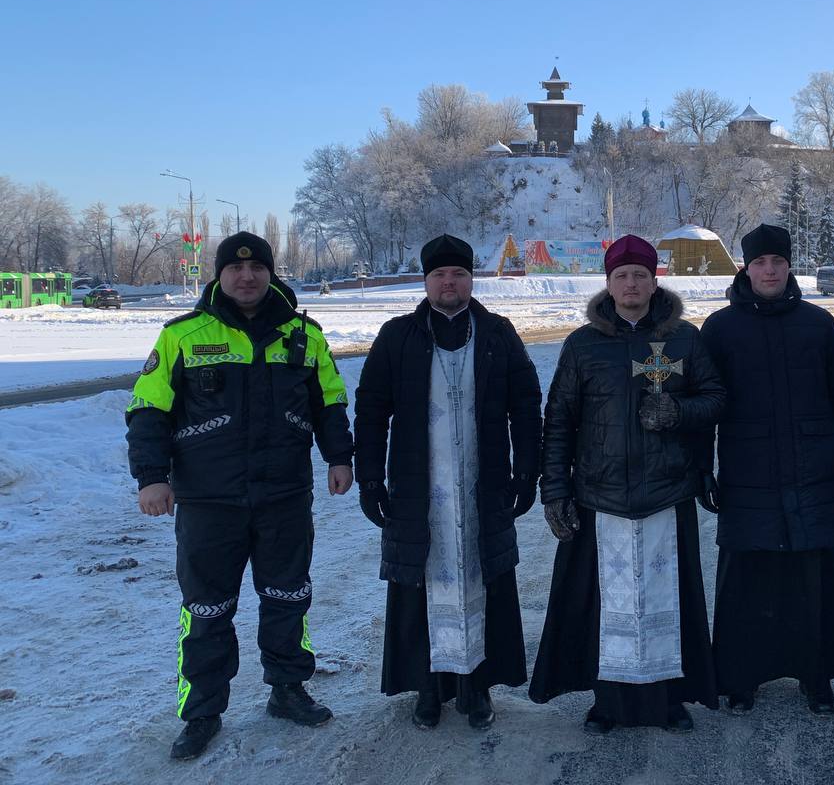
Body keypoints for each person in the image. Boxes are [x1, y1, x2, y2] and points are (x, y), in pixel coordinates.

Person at [125, 231, 354, 761]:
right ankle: (202, 709)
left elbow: (331, 403)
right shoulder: (182, 335)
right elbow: (147, 411)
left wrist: (340, 457)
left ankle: (287, 688)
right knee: (206, 608)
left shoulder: (305, 334)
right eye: (234, 269)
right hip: (209, 501)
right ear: (219, 274)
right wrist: (151, 476)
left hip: (284, 495)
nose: (246, 277)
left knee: (288, 597)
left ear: (271, 273)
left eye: (256, 269)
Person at [529, 234, 727, 733]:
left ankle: (670, 700)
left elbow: (717, 398)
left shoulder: (682, 337)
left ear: (654, 279)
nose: (632, 283)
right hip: (601, 495)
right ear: (609, 283)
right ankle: (607, 702)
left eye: (641, 274)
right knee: (605, 605)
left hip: (666, 493)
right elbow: (559, 422)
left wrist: (678, 411)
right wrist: (554, 490)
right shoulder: (582, 344)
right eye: (622, 275)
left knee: (670, 601)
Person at [354, 234, 541, 730]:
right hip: (421, 492)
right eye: (439, 275)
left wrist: (528, 470)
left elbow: (525, 406)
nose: (449, 283)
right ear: (426, 281)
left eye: (458, 274)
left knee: (483, 582)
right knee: (420, 585)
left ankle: (475, 687)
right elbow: (371, 410)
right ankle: (427, 687)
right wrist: (370, 478)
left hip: (484, 486)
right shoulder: (397, 336)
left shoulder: (498, 333)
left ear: (470, 280)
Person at [700, 223, 834, 715]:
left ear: (790, 267)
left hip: (812, 470)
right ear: (745, 268)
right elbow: (706, 403)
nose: (769, 270)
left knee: (812, 579)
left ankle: (817, 676)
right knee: (748, 579)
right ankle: (741, 677)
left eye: (777, 262)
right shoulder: (720, 327)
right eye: (759, 263)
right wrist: (700, 469)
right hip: (747, 472)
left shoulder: (819, 325)